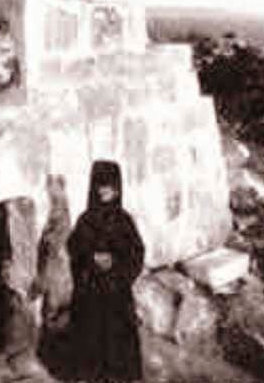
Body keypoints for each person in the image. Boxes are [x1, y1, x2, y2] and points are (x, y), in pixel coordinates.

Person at [66, 160, 145, 383]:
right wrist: (90, 259)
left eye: (109, 186)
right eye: (99, 185)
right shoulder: (85, 219)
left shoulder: (124, 221)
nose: (103, 191)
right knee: (89, 342)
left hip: (115, 294)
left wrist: (115, 263)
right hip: (89, 292)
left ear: (118, 188)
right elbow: (73, 249)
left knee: (117, 344)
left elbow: (136, 253)